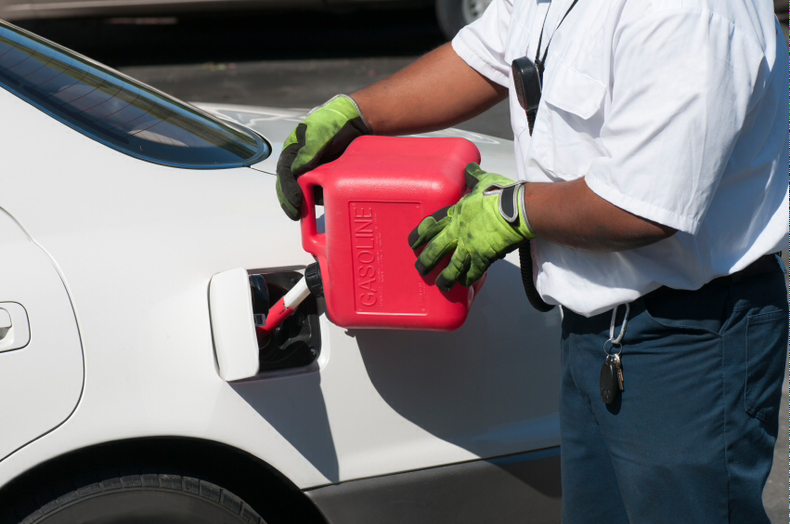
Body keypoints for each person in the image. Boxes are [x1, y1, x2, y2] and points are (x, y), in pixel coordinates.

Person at [275, 0, 789, 521]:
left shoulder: (687, 13)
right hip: (594, 332)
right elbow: (485, 56)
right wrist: (356, 114)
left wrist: (512, 210)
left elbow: (641, 207)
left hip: (688, 342)